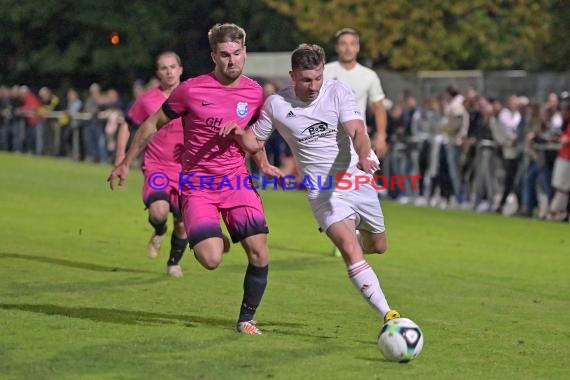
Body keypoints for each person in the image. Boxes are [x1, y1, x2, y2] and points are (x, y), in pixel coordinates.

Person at [108, 23, 277, 335]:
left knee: (259, 249)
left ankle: (246, 320)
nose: (232, 61)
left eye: (237, 54)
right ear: (213, 55)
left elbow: (256, 137)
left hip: (235, 181)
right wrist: (124, 163)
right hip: (198, 184)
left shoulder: (254, 93)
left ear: (245, 53)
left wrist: (263, 164)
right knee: (211, 259)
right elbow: (151, 124)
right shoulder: (192, 90)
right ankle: (210, 237)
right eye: (224, 55)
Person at [220, 43, 401, 326]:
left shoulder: (338, 91)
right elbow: (254, 142)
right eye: (306, 79)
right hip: (321, 190)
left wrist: (365, 155)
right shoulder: (277, 105)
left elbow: (357, 130)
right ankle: (390, 316)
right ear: (292, 76)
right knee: (349, 249)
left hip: (357, 179)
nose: (314, 85)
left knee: (377, 246)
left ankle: (353, 235)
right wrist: (236, 133)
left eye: (318, 78)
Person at [113, 51, 188, 278]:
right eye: (164, 68)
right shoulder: (148, 100)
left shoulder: (192, 95)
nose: (169, 71)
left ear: (180, 69)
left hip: (186, 170)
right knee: (159, 211)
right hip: (157, 166)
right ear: (158, 73)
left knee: (183, 223)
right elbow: (127, 125)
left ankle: (173, 263)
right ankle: (159, 230)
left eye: (173, 67)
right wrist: (120, 159)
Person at [323, 28, 388, 158]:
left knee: (362, 176)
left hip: (358, 140)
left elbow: (379, 107)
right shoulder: (325, 72)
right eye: (343, 44)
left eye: (352, 44)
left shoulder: (369, 75)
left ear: (358, 47)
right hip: (328, 139)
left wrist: (381, 136)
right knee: (330, 178)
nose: (348, 48)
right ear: (337, 47)